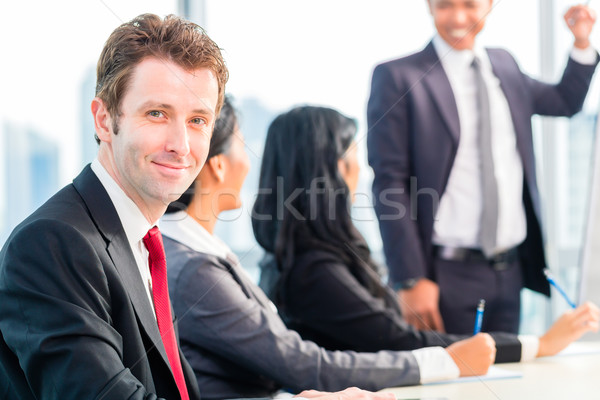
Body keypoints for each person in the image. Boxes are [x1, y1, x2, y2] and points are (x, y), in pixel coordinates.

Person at [162, 97, 501, 399]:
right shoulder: (197, 268)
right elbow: (305, 365)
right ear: (218, 165)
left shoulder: (202, 254)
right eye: (242, 145)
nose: (250, 163)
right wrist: (449, 360)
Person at [251, 105, 599, 371]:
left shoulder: (306, 258)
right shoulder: (314, 271)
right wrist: (539, 344)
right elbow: (406, 342)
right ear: (332, 170)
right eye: (352, 157)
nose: (361, 169)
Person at [0, 13, 230, 399]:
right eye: (157, 113)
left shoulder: (139, 240)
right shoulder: (53, 244)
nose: (181, 145)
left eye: (197, 120)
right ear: (104, 120)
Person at [367, 0, 599, 334]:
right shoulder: (398, 77)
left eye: (470, 5)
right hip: (443, 276)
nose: (458, 17)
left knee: (508, 380)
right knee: (452, 383)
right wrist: (410, 278)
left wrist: (580, 42)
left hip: (510, 271)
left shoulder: (504, 65)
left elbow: (564, 101)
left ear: (489, 5)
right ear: (430, 6)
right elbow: (390, 183)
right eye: (445, 5)